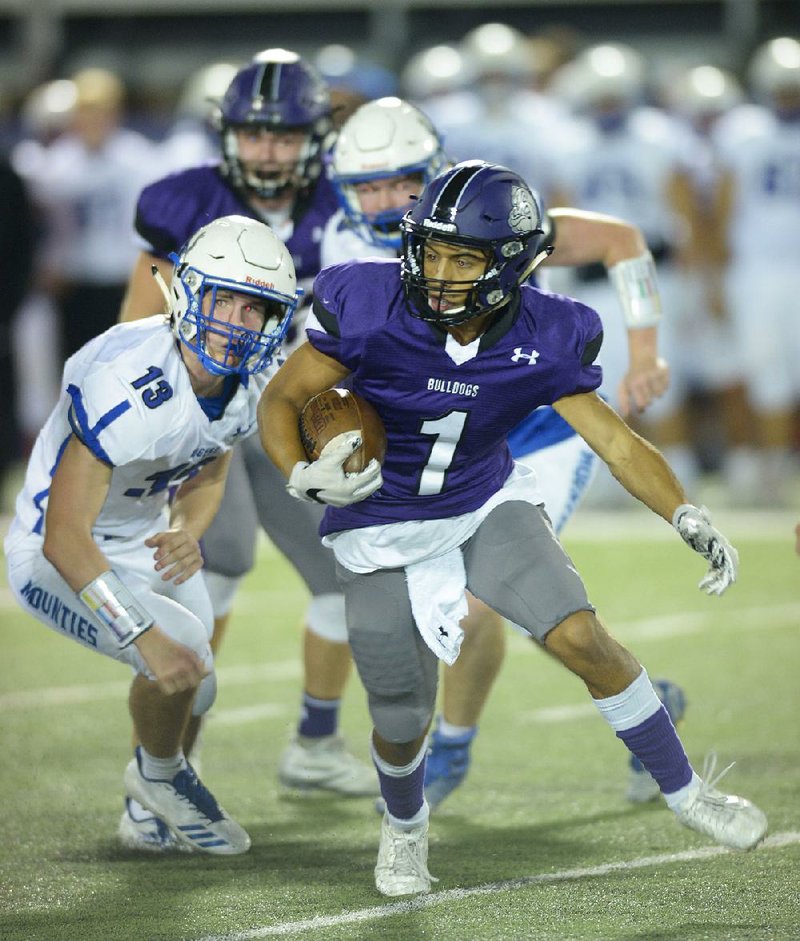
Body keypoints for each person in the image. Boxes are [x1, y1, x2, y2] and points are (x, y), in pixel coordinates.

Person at [259, 160, 767, 897]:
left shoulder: (550, 333)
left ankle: (688, 791)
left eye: (462, 257)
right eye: (431, 250)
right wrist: (298, 470)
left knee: (577, 634)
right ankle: (404, 828)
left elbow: (617, 442)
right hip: (375, 521)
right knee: (400, 713)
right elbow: (282, 398)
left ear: (512, 265)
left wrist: (684, 512)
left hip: (479, 501)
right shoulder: (367, 302)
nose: (438, 272)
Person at [323, 95, 680, 808]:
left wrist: (646, 350)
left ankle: (452, 744)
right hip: (438, 450)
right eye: (369, 186)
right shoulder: (342, 250)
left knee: (482, 598)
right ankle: (649, 697)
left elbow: (620, 238)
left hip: (535, 434)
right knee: (500, 604)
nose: (388, 200)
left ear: (433, 170)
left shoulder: (486, 213)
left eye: (402, 181)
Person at [119, 48, 379, 816]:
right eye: (255, 134)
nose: (269, 150)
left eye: (285, 135)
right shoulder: (181, 201)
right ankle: (158, 780)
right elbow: (136, 326)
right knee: (211, 576)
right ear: (229, 134)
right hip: (207, 417)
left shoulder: (346, 202)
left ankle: (314, 744)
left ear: (315, 136)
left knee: (344, 570)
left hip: (292, 414)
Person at [5, 214, 300, 853]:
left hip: (136, 540)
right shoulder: (125, 379)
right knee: (180, 648)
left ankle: (144, 813)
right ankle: (161, 779)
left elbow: (211, 465)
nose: (237, 324)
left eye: (258, 310)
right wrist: (142, 635)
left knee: (199, 679)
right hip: (53, 554)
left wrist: (188, 527)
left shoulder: (247, 384)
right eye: (226, 299)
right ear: (188, 291)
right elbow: (64, 538)